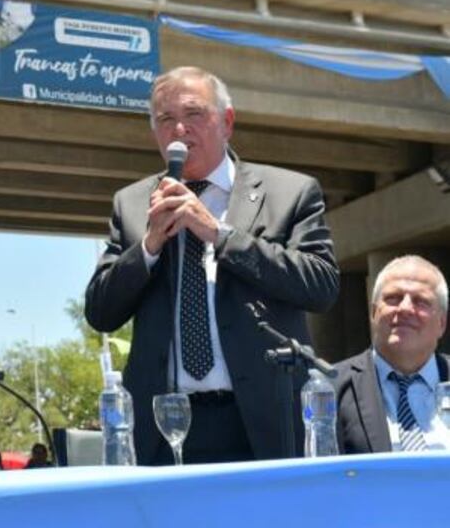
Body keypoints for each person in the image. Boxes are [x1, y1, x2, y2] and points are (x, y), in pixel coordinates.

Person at [85, 66, 339, 465]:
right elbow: (100, 312)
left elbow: (321, 285)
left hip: (260, 422)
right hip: (165, 427)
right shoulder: (132, 204)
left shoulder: (289, 192)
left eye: (194, 115)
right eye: (165, 119)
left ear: (227, 122)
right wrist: (149, 245)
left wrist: (220, 234)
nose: (179, 130)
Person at [334, 256, 449, 453]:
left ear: (441, 323)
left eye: (421, 301)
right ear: (373, 313)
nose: (404, 308)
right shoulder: (331, 387)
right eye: (393, 298)